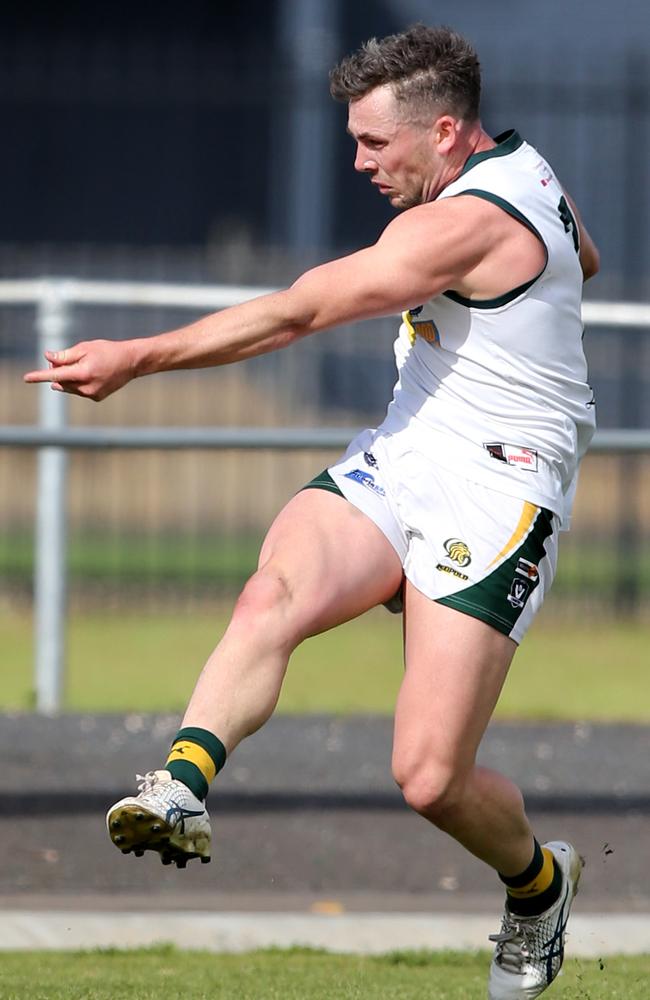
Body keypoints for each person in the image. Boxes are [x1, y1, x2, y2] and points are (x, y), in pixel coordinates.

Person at [24, 24, 599, 999]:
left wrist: (137, 358)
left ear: (446, 132)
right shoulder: (522, 163)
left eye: (376, 143)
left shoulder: (455, 227)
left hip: (498, 491)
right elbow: (578, 255)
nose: (359, 161)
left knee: (427, 777)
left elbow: (296, 313)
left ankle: (538, 884)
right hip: (403, 457)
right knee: (270, 594)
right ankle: (178, 783)